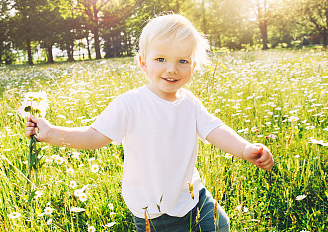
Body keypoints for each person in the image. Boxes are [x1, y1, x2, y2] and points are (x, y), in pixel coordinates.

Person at [25, 13, 274, 232]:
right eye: (161, 59)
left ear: (193, 65)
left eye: (182, 61)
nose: (172, 69)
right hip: (155, 212)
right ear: (143, 62)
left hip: (194, 197)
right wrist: (51, 133)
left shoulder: (190, 102)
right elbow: (93, 137)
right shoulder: (130, 104)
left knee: (221, 226)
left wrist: (244, 149)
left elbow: (215, 130)